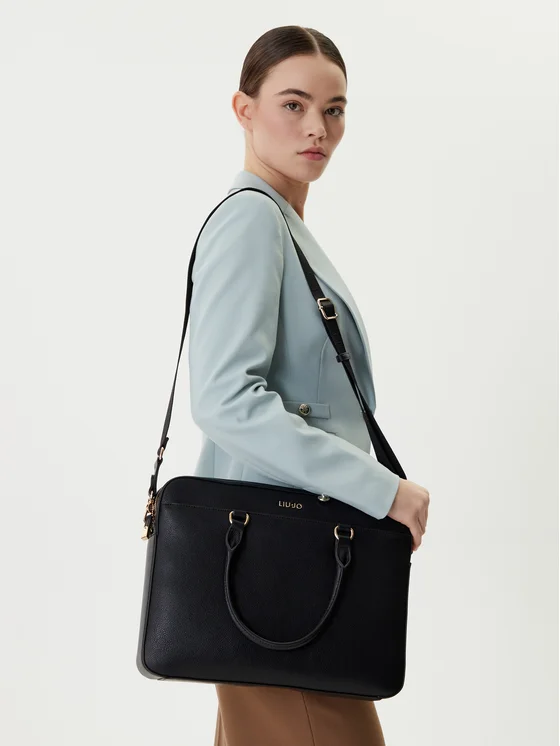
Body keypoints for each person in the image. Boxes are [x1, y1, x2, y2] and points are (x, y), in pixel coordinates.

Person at [188, 24, 430, 746]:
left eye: (334, 109)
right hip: (279, 571)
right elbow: (224, 399)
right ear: (244, 109)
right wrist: (380, 489)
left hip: (283, 567)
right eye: (293, 105)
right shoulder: (251, 221)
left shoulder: (283, 225)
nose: (317, 128)